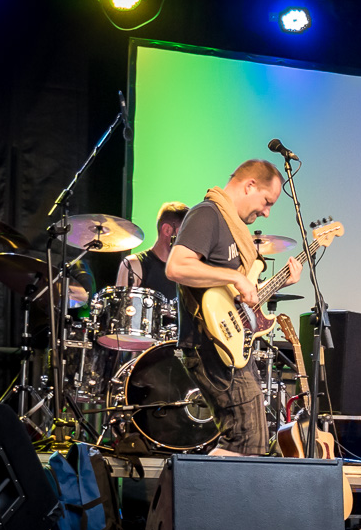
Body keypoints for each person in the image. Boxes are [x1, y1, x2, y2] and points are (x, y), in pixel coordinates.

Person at [165, 159, 302, 456]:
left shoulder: (233, 227)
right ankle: (200, 487)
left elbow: (238, 296)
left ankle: (210, 486)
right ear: (250, 185)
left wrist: (279, 282)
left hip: (233, 343)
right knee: (246, 438)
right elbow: (176, 267)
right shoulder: (207, 214)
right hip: (209, 344)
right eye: (267, 202)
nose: (266, 212)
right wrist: (235, 277)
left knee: (251, 440)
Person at [116, 201, 188, 295]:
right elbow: (121, 303)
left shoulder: (188, 270)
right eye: (186, 233)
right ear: (167, 230)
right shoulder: (133, 264)